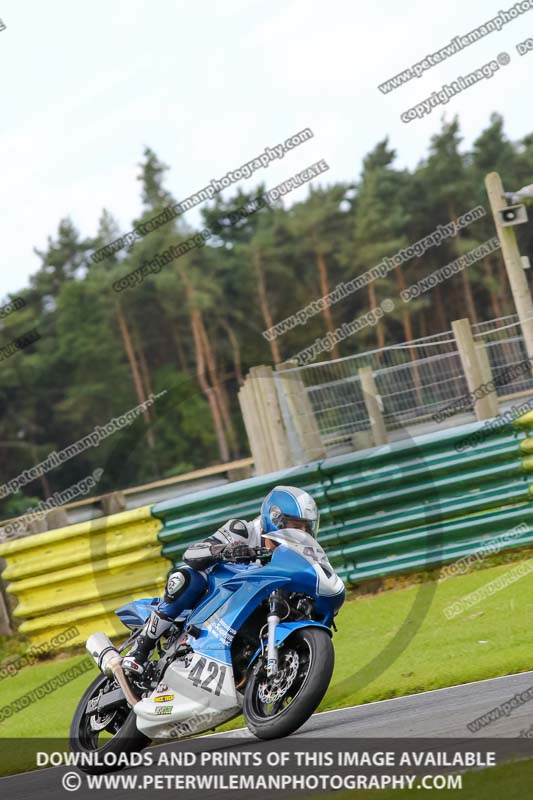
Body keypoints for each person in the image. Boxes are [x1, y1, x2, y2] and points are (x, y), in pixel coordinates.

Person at [122, 485, 320, 675]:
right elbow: (192, 553)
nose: (300, 534)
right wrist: (225, 550)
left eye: (304, 529)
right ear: (275, 519)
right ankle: (141, 648)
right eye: (295, 527)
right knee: (186, 576)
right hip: (214, 605)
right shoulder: (243, 530)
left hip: (249, 618)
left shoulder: (297, 558)